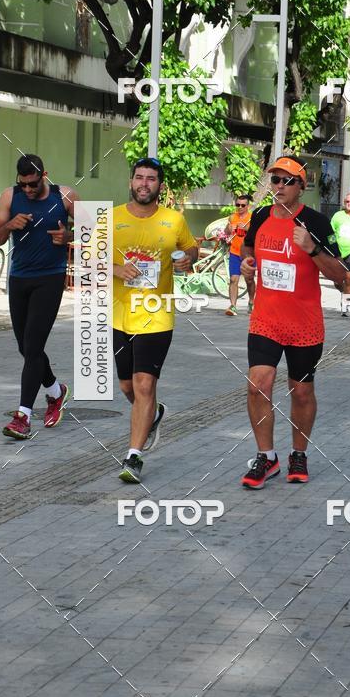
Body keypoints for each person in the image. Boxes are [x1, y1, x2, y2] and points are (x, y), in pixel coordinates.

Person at [239, 156, 345, 489]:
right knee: (258, 384)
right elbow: (248, 249)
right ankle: (266, 456)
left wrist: (313, 250)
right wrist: (247, 264)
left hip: (304, 323)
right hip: (265, 319)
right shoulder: (258, 216)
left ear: (302, 186)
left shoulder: (316, 222)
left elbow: (344, 280)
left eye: (287, 181)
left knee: (301, 392)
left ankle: (298, 453)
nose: (279, 187)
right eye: (275, 181)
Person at [112, 157, 198, 483]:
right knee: (127, 386)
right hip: (119, 315)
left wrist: (186, 261)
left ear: (159, 186)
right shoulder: (112, 218)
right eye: (139, 177)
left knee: (144, 383)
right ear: (131, 182)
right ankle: (154, 414)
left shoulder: (173, 220)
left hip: (157, 315)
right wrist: (116, 269)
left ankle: (133, 456)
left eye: (150, 179)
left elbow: (191, 251)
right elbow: (90, 258)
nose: (144, 184)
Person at [0, 155, 78, 440]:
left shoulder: (65, 196)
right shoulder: (8, 197)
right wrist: (9, 226)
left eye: (33, 184)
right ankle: (55, 391)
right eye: (23, 184)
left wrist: (69, 237)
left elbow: (97, 230)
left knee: (33, 344)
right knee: (26, 349)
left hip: (50, 279)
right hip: (19, 279)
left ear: (45, 176)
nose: (28, 190)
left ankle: (23, 417)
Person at [224, 194, 255, 315]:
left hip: (248, 253)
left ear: (248, 206)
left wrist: (247, 229)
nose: (240, 207)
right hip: (235, 252)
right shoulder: (232, 217)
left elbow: (257, 233)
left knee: (249, 280)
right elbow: (226, 232)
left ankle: (251, 302)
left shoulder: (252, 218)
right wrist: (229, 228)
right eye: (238, 205)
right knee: (233, 279)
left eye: (243, 205)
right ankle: (232, 306)